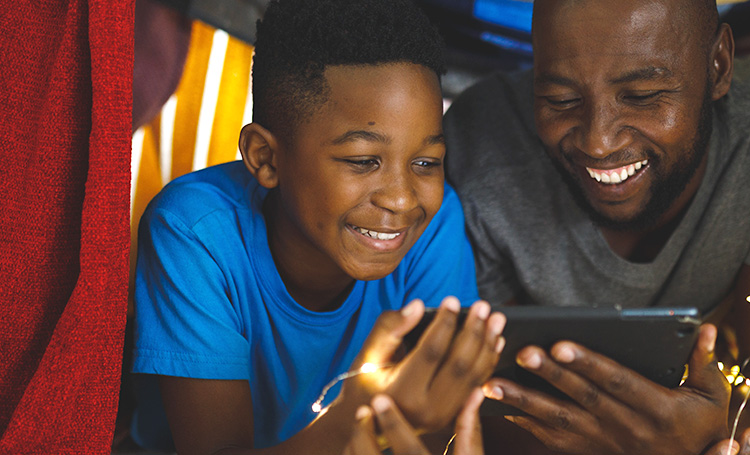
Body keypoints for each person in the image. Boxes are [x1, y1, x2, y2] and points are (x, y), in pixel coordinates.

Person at [443, 0, 750, 453]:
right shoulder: (479, 148)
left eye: (641, 95)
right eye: (560, 99)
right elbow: (482, 394)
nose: (598, 141)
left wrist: (724, 443)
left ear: (717, 67)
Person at [130, 0, 505, 453]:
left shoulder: (436, 221)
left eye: (426, 162)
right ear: (265, 158)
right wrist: (356, 417)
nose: (403, 199)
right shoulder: (194, 234)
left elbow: (437, 429)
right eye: (363, 161)